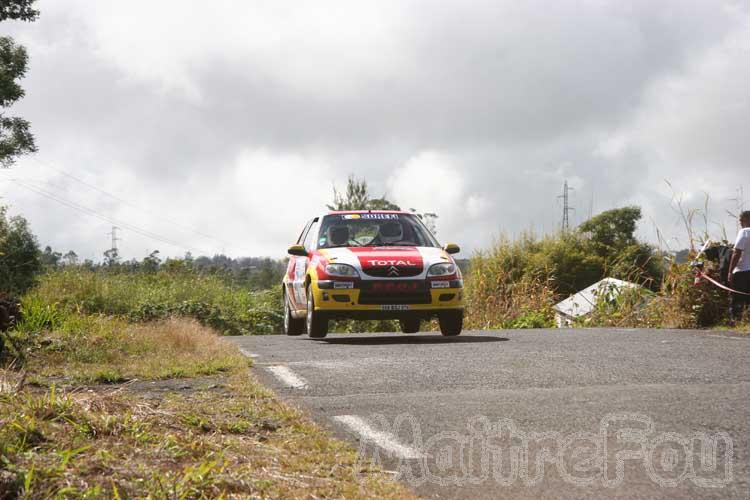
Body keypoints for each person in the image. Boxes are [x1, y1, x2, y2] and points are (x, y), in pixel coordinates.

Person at [728, 210, 750, 322]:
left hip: (743, 271)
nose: (740, 223)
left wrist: (730, 271)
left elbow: (737, 252)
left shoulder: (745, 231)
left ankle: (736, 322)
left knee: (738, 299)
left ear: (746, 219)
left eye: (741, 220)